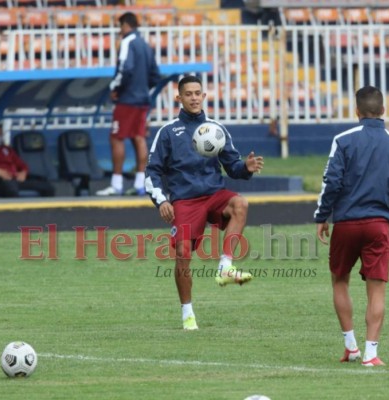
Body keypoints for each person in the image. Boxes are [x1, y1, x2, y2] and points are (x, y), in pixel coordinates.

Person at [145, 75, 264, 331]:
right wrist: (162, 201)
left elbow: (232, 165)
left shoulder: (215, 129)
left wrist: (245, 167)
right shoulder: (167, 132)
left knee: (240, 204)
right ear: (179, 98)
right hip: (185, 201)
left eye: (198, 93)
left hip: (213, 195)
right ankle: (187, 313)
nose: (194, 97)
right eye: (188, 94)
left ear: (204, 96)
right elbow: (151, 172)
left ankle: (225, 267)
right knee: (182, 254)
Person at [314, 86, 389, 367]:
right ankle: (371, 354)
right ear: (383, 111)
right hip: (378, 225)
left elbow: (330, 182)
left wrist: (322, 216)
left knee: (339, 280)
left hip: (345, 223)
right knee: (376, 290)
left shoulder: (342, 140)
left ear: (356, 111)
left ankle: (351, 347)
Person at [96, 12, 160, 196]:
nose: (119, 30)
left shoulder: (127, 42)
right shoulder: (146, 46)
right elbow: (155, 75)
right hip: (142, 99)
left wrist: (114, 87)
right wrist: (142, 88)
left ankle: (116, 184)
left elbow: (126, 68)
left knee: (116, 137)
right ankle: (141, 184)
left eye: (120, 26)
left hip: (127, 99)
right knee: (138, 138)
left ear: (125, 25)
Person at [0, 122, 55, 198]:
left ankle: (48, 215)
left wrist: (23, 173)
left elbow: (22, 165)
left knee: (47, 187)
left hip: (15, 179)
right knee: (11, 188)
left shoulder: (7, 150)